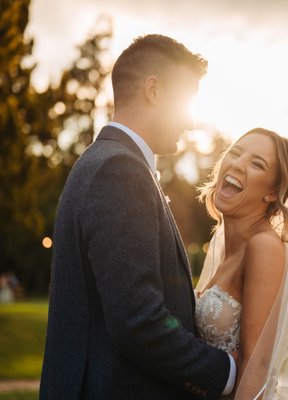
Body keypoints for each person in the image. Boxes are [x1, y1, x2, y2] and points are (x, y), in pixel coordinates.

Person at [40, 34, 236, 400]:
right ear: (154, 90)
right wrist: (224, 373)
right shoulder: (119, 171)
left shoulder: (103, 163)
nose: (191, 123)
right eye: (186, 102)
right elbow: (138, 321)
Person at [195, 128, 288, 399]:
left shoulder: (264, 246)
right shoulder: (228, 247)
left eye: (257, 164)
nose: (238, 164)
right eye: (236, 152)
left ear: (272, 192)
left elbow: (257, 367)